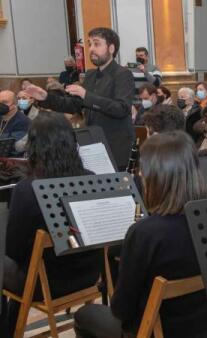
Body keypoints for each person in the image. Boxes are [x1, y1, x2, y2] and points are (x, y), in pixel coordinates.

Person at [74, 131, 207, 338]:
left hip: (152, 331)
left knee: (85, 315)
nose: (140, 175)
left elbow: (121, 310)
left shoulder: (146, 233)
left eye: (143, 169)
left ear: (157, 176)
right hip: (202, 329)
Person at [0, 112, 102, 337]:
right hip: (89, 275)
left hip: (43, 285)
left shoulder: (27, 189)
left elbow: (14, 252)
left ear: (35, 146)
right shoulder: (93, 178)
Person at [26, 27, 135, 169]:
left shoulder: (123, 74)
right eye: (90, 44)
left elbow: (121, 108)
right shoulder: (90, 75)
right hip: (92, 145)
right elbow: (73, 105)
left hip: (116, 147)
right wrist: (46, 97)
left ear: (111, 48)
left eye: (97, 44)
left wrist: (86, 95)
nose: (91, 49)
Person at [0, 90, 31, 156]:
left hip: (11, 160)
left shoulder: (23, 121)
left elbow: (11, 147)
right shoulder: (1, 116)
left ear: (15, 104)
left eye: (4, 102)